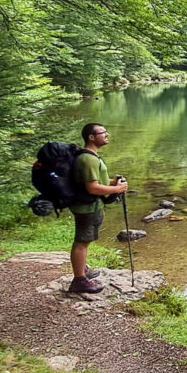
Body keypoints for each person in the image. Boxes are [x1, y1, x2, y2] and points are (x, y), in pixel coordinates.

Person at [68, 123, 129, 293]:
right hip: (87, 208)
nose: (107, 135)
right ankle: (79, 280)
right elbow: (92, 188)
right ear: (91, 137)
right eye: (103, 133)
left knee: (84, 241)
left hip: (90, 205)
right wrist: (118, 189)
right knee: (82, 242)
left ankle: (83, 271)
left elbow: (95, 181)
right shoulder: (88, 159)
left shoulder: (91, 157)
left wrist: (112, 181)